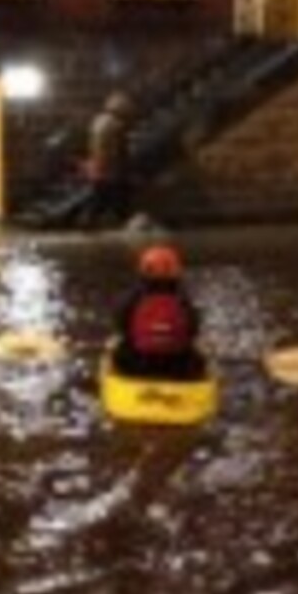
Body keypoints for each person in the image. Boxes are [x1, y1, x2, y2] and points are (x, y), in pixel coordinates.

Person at [111, 242, 205, 379]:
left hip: (137, 366)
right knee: (196, 356)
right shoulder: (183, 299)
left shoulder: (132, 297)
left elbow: (121, 326)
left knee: (119, 351)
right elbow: (193, 330)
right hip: (178, 368)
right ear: (175, 271)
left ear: (144, 269)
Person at [79, 90, 136, 227]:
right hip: (110, 168)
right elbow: (120, 149)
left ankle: (90, 220)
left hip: (98, 165)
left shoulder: (98, 121)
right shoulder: (116, 125)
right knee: (114, 196)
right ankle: (118, 219)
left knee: (100, 195)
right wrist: (123, 166)